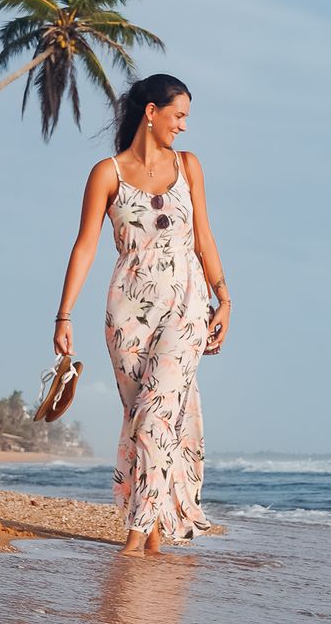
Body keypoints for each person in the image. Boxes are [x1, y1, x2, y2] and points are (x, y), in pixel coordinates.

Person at [52, 74, 231, 556]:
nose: (185, 127)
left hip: (186, 305)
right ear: (151, 113)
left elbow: (204, 237)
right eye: (179, 116)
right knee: (140, 419)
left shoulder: (188, 166)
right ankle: (152, 536)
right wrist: (63, 315)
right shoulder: (106, 174)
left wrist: (224, 297)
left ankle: (132, 541)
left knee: (156, 418)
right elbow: (85, 244)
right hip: (127, 313)